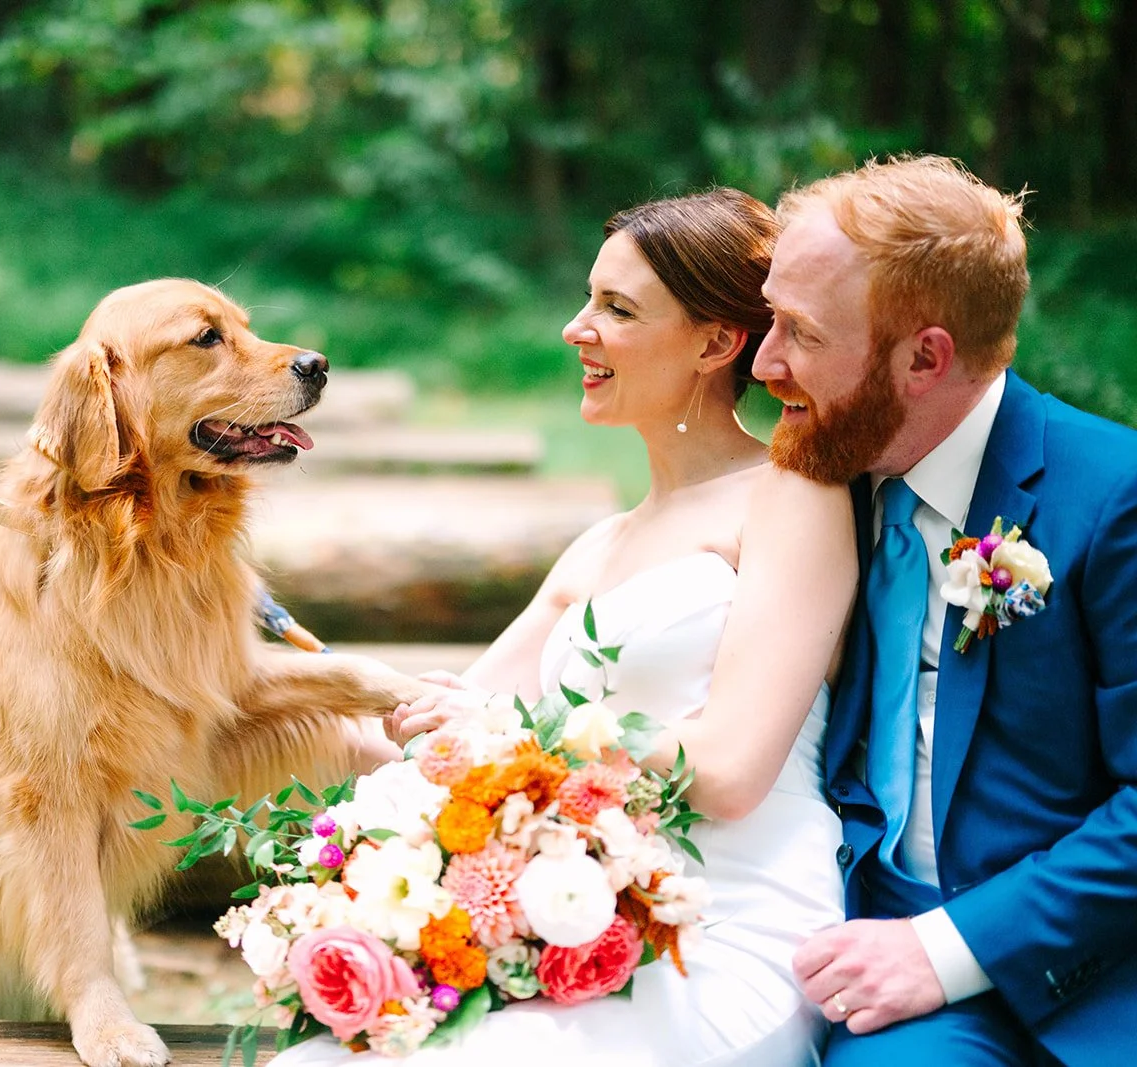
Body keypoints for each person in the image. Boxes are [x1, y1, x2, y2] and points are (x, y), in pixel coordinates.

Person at [272, 188, 858, 1067]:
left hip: (723, 929)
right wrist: (239, 682)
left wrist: (503, 731)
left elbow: (731, 772)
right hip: (574, 917)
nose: (574, 328)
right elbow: (439, 727)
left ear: (715, 342)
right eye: (589, 298)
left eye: (616, 309)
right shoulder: (598, 545)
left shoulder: (792, 498)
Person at [755, 155, 1137, 1067]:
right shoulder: (820, 475)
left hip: (1040, 975)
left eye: (799, 333)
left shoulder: (1112, 500)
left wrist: (942, 949)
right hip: (800, 921)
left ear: (925, 357)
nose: (765, 363)